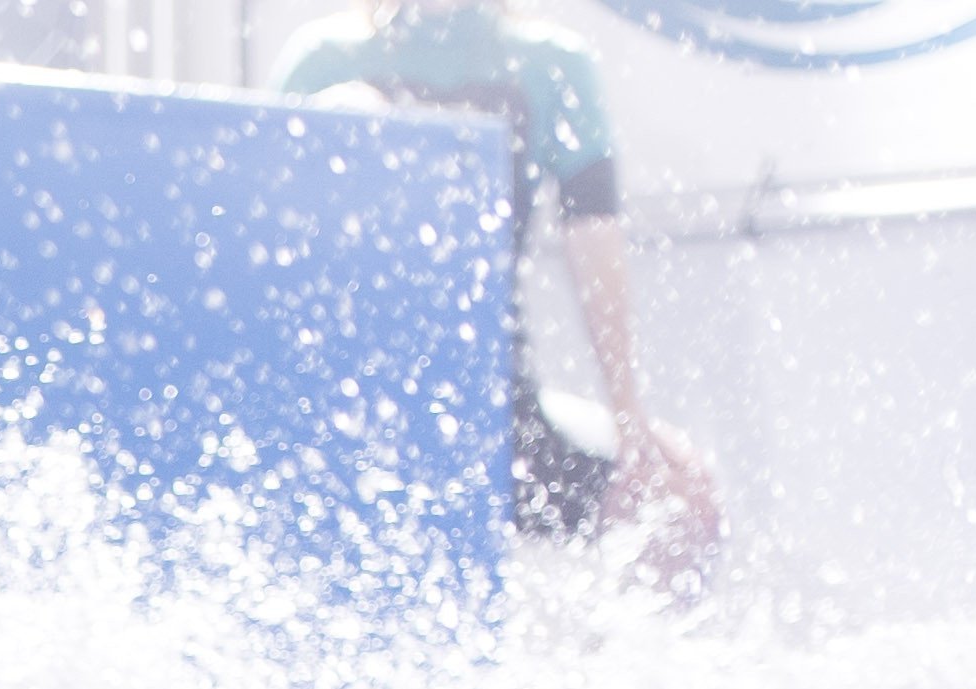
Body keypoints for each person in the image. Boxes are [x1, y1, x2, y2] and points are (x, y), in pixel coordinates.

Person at [273, 0, 725, 591]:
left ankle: (613, 644)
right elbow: (266, 253)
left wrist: (628, 417)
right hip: (347, 404)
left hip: (497, 410)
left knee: (684, 503)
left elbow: (594, 247)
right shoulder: (321, 65)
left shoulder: (550, 66)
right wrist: (336, 136)